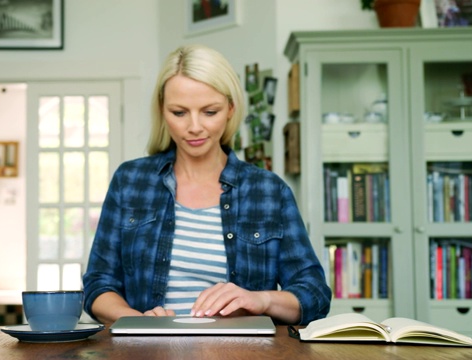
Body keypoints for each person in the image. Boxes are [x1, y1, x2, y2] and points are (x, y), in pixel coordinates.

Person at [82, 44, 331, 325]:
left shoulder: (269, 191)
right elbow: (98, 285)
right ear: (162, 111)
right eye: (179, 113)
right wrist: (140, 322)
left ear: (230, 109)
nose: (195, 127)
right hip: (146, 351)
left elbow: (315, 295)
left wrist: (261, 300)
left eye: (209, 112)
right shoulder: (130, 182)